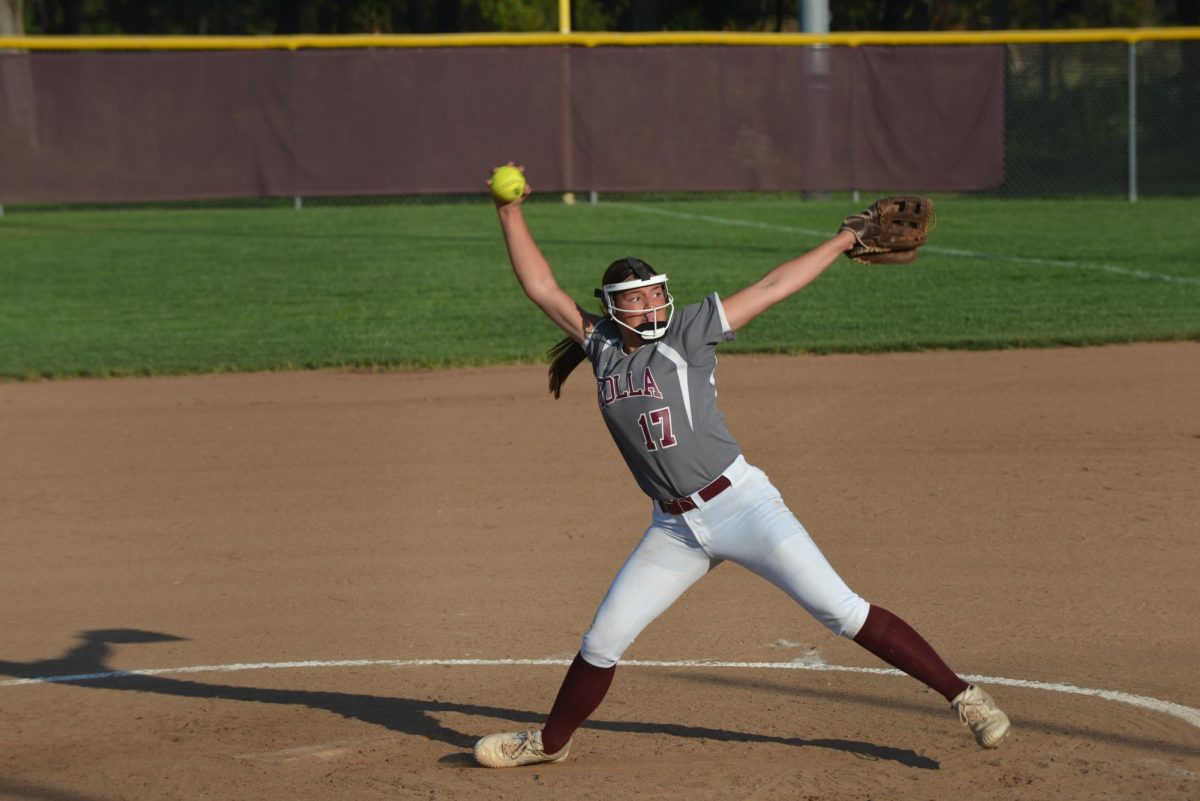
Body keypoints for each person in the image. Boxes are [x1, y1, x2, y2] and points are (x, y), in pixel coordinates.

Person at [474, 173, 1011, 768]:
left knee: (841, 610)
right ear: (611, 307)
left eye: (655, 292)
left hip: (743, 505)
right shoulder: (599, 345)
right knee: (602, 640)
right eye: (636, 297)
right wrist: (508, 212)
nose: (651, 303)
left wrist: (841, 240)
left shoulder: (687, 333)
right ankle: (548, 744)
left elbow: (774, 285)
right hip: (674, 529)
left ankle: (966, 698)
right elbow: (542, 286)